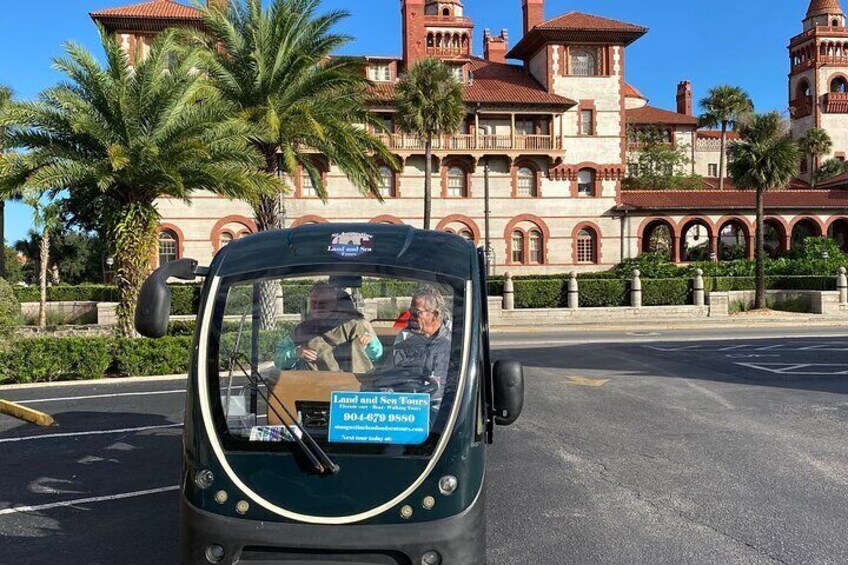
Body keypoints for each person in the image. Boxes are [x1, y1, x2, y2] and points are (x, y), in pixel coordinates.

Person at [275, 283, 383, 373]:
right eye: (313, 302)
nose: (317, 306)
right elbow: (278, 360)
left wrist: (369, 342)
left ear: (333, 304)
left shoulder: (352, 326)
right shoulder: (301, 330)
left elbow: (377, 355)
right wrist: (296, 353)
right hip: (311, 389)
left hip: (349, 392)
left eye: (322, 303)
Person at [381, 285, 452, 407]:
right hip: (407, 408)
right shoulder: (404, 338)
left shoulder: (452, 342)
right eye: (410, 311)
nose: (411, 316)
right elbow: (387, 379)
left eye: (416, 312)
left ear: (434, 315)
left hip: (443, 411)